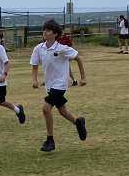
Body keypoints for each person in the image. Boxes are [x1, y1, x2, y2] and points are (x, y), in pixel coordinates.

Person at [29, 19, 88, 152]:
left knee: (46, 109)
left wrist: (83, 78)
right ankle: (78, 122)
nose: (45, 32)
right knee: (62, 111)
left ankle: (50, 140)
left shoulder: (62, 49)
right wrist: (34, 80)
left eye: (48, 30)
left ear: (55, 34)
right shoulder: (39, 48)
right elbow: (34, 65)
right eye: (44, 29)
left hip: (60, 84)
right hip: (49, 85)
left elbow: (78, 58)